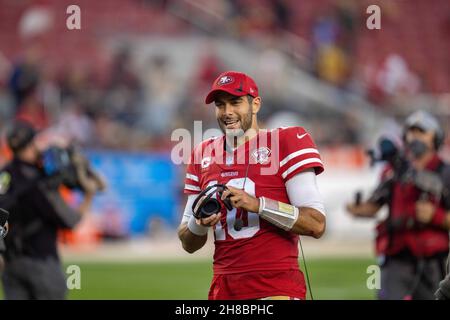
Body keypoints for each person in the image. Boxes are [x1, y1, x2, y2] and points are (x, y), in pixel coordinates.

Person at [177, 71, 326, 300]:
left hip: (276, 286)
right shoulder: (202, 153)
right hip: (223, 289)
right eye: (220, 105)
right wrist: (200, 223)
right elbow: (188, 242)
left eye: (235, 102)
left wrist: (258, 205)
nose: (227, 112)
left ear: (255, 104)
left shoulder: (285, 142)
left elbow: (316, 223)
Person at [347, 110, 450, 300]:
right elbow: (374, 205)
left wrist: (436, 216)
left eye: (422, 132)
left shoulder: (445, 173)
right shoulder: (393, 169)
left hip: (435, 261)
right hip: (397, 257)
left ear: (436, 138)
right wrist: (357, 208)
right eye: (411, 132)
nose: (415, 137)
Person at [0, 120, 101, 300]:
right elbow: (70, 221)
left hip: (10, 265)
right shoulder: (40, 183)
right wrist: (89, 195)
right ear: (31, 144)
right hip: (41, 262)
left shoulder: (4, 175)